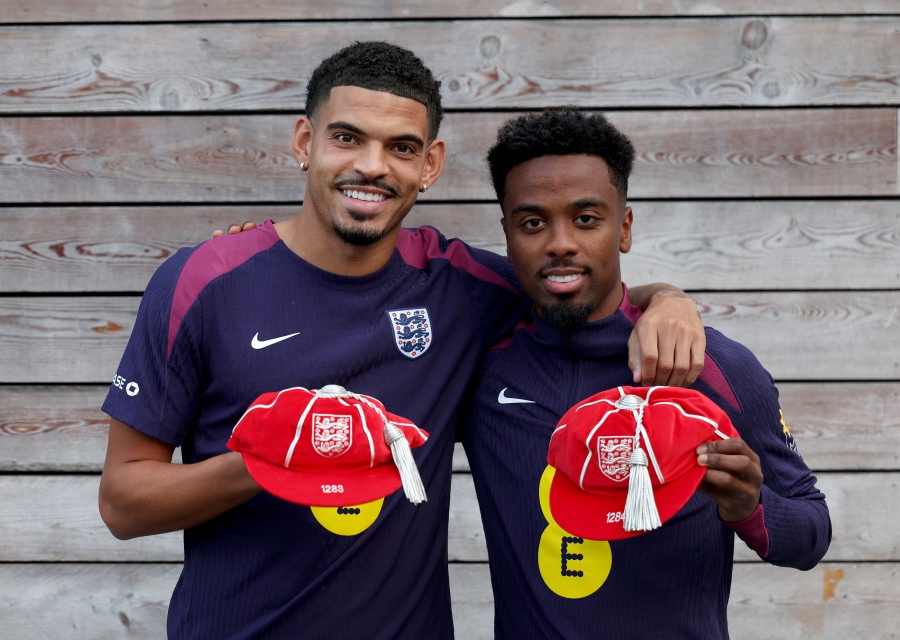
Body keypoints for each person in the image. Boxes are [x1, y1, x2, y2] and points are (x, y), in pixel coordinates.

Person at [97, 42, 704, 639]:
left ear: (430, 165)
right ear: (305, 143)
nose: (372, 166)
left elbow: (572, 280)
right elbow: (123, 503)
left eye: (401, 148)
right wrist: (273, 462)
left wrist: (667, 298)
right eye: (347, 138)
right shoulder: (202, 281)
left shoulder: (460, 286)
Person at [459, 107, 832, 639]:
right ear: (507, 233)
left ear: (625, 227)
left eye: (586, 219)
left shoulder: (711, 366)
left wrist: (749, 506)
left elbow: (812, 534)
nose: (560, 242)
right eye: (533, 222)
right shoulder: (479, 366)